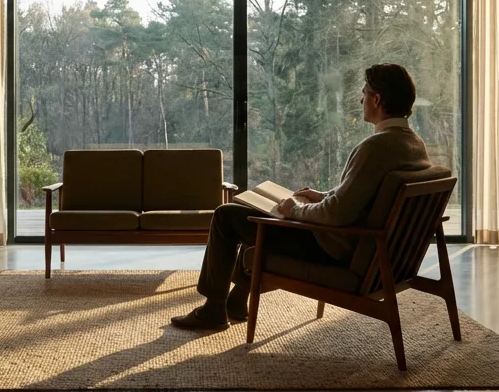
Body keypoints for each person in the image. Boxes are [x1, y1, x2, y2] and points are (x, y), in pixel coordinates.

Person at [170, 63, 434, 331]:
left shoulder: (376, 147)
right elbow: (363, 195)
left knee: (227, 216)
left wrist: (294, 209)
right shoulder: (413, 144)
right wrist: (323, 195)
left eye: (364, 92)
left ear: (377, 99)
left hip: (333, 248)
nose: (360, 98)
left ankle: (213, 310)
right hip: (369, 250)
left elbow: (336, 214)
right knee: (256, 219)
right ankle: (236, 301)